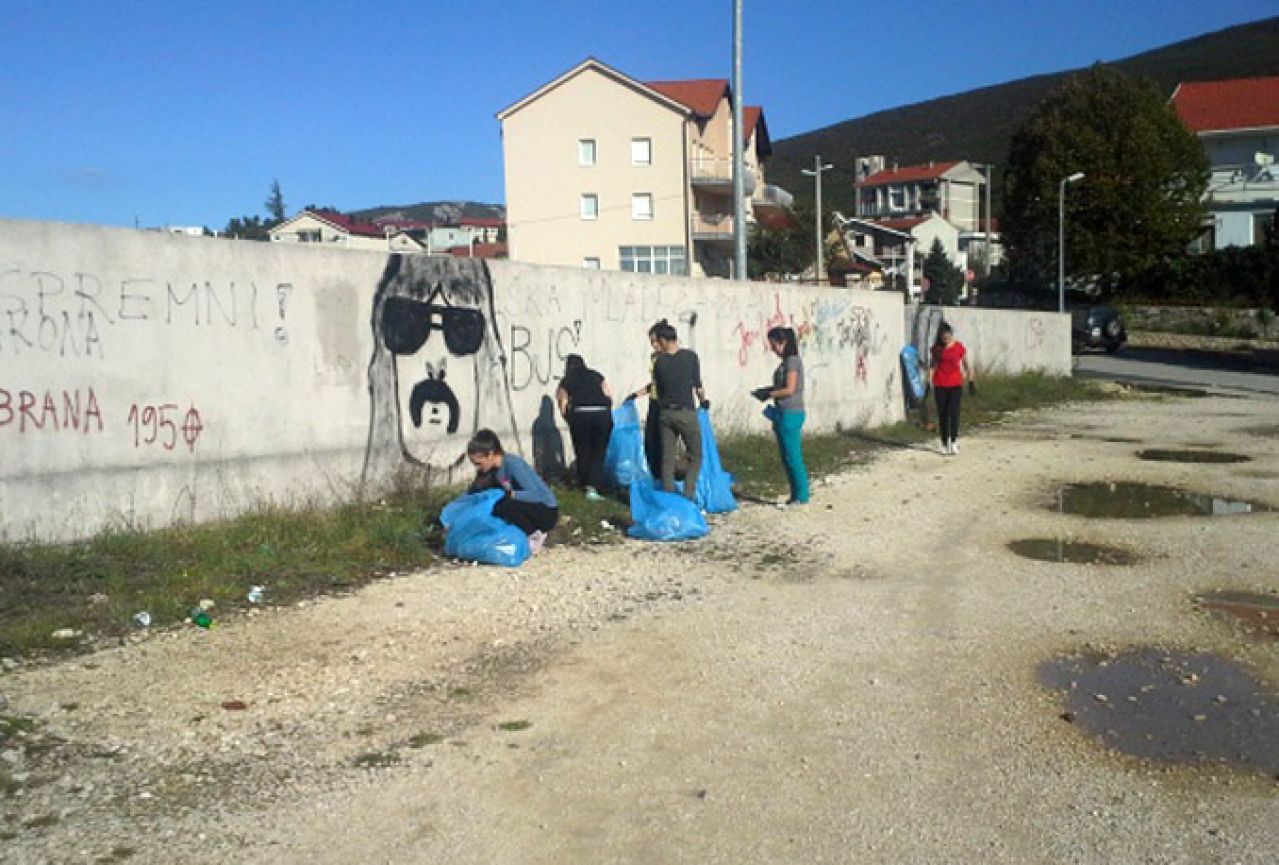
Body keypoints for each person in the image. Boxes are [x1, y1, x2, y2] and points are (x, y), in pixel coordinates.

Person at [466, 429, 559, 551]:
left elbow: (537, 494)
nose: (478, 467)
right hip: (525, 507)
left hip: (546, 511)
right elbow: (474, 492)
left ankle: (534, 534)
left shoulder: (512, 464)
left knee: (503, 505)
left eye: (478, 463)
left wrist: (511, 494)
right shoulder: (491, 471)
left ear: (490, 454)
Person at [649, 320, 707, 501]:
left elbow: (659, 389)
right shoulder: (690, 357)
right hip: (686, 412)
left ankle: (668, 497)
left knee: (667, 458)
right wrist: (703, 401)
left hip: (665, 413)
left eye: (658, 341)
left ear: (665, 341)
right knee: (695, 455)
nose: (657, 345)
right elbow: (697, 385)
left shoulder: (659, 362)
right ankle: (687, 495)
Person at [753, 326, 809, 504]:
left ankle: (801, 495)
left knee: (793, 457)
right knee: (787, 456)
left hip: (790, 413)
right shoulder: (787, 362)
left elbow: (790, 389)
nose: (772, 349)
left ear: (782, 342)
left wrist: (769, 394)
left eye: (773, 344)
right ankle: (795, 494)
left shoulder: (792, 361)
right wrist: (768, 390)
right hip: (783, 412)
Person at [556, 354, 613, 501]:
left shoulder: (567, 380)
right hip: (602, 414)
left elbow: (562, 403)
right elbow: (608, 394)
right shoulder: (596, 375)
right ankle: (593, 486)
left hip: (580, 414)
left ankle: (584, 482)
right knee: (598, 452)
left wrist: (569, 419)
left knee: (582, 449)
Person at [929, 322, 975, 455]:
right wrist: (928, 382)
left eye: (947, 336)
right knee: (942, 414)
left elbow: (966, 365)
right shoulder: (937, 349)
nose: (945, 339)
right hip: (940, 384)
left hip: (955, 384)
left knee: (954, 413)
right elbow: (933, 366)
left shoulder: (959, 347)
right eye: (943, 337)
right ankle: (944, 443)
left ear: (951, 334)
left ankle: (954, 442)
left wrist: (971, 381)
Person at [628, 322, 666, 477]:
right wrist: (638, 394)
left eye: (655, 341)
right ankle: (654, 472)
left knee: (662, 441)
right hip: (654, 401)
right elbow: (655, 382)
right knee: (650, 440)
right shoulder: (654, 357)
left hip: (665, 402)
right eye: (651, 342)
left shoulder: (670, 358)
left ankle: (662, 474)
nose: (653, 345)